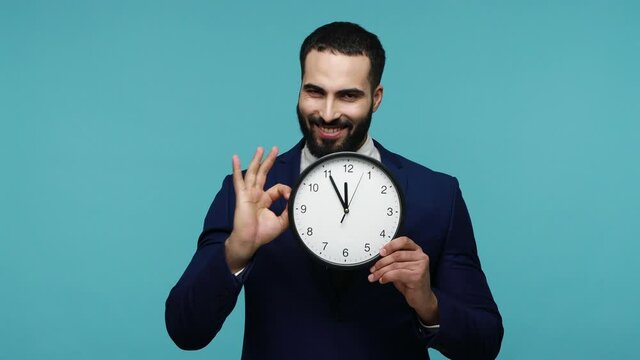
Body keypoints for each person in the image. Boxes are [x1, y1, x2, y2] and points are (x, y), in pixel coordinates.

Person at [165, 22, 503, 359]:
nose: (327, 113)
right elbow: (185, 330)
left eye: (348, 95)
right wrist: (236, 252)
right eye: (315, 92)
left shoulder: (436, 195)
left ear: (376, 98)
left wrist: (428, 303)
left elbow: (485, 344)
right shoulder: (249, 193)